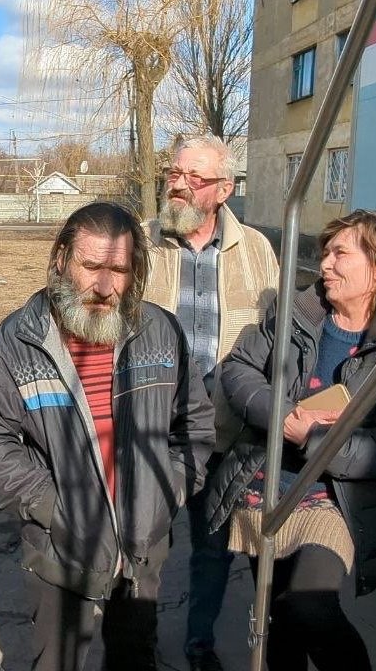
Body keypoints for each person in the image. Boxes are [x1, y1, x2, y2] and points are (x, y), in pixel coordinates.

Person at [0, 202, 215, 671]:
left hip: (143, 545)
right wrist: (56, 510)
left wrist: (166, 495)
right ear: (61, 259)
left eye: (118, 269)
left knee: (134, 659)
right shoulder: (18, 341)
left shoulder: (160, 331)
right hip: (62, 546)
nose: (103, 286)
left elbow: (194, 428)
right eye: (91, 266)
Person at [206, 210, 376, 670]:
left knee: (308, 606)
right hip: (267, 487)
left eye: (340, 254)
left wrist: (316, 439)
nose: (325, 264)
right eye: (325, 253)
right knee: (276, 625)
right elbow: (237, 369)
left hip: (336, 497)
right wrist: (283, 414)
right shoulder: (298, 313)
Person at [144, 133, 279, 671]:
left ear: (223, 190)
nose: (177, 185)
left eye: (192, 179)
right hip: (153, 431)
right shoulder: (142, 243)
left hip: (227, 435)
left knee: (212, 548)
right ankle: (136, 645)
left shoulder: (257, 253)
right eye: (174, 174)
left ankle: (199, 644)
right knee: (143, 547)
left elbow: (277, 340)